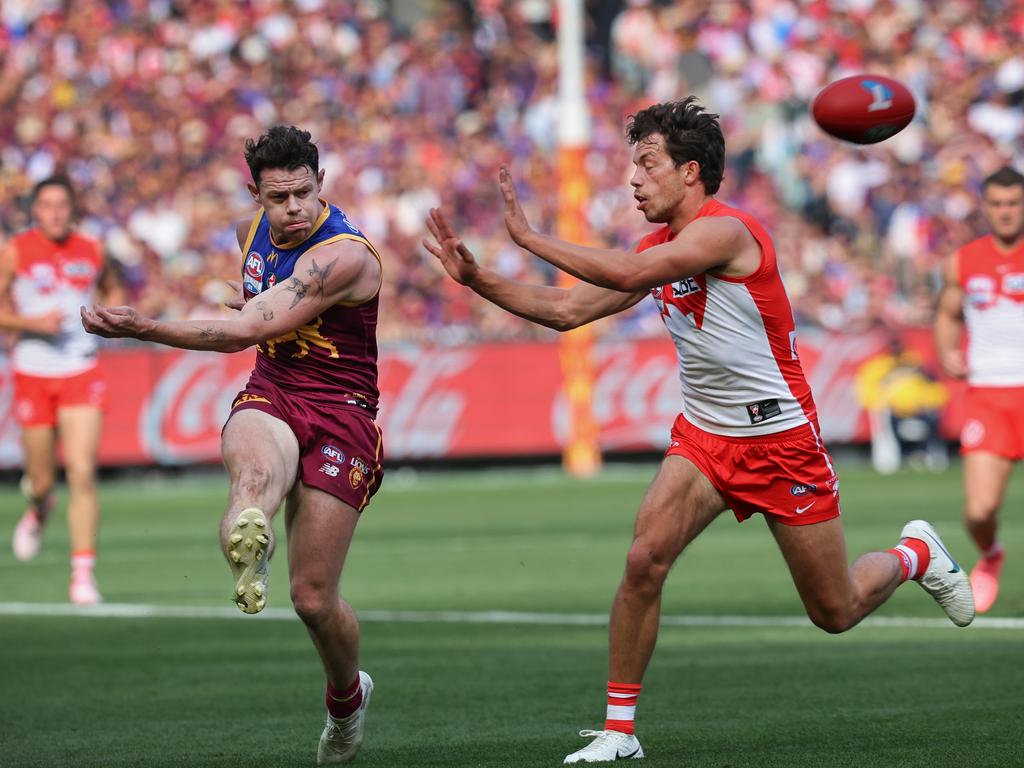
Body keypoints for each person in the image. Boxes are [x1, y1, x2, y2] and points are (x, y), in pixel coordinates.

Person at [424, 98, 975, 764]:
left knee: (835, 610)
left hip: (781, 442)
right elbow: (567, 309)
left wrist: (530, 238)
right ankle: (619, 732)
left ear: (691, 171)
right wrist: (478, 277)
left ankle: (916, 554)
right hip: (705, 439)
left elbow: (628, 275)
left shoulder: (727, 233)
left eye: (647, 163)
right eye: (633, 164)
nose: (633, 178)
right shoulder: (659, 246)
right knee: (641, 563)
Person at [81, 126, 384, 765]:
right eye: (279, 198)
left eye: (304, 193)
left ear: (321, 184)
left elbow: (246, 326)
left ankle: (347, 699)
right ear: (257, 195)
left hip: (343, 413)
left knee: (312, 599)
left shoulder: (345, 256)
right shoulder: (249, 236)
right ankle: (254, 535)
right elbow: (252, 310)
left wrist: (146, 326)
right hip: (274, 389)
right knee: (250, 481)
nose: (294, 208)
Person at [0, 175, 124, 604]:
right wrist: (32, 324)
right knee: (39, 479)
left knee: (83, 472)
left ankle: (83, 573)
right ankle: (38, 506)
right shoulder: (14, 250)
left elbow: (112, 288)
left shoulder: (91, 248)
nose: (54, 212)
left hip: (80, 369)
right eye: (47, 204)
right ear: (35, 209)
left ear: (73, 209)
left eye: (62, 205)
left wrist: (111, 316)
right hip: (33, 372)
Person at [934, 165, 1024, 614]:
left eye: (1014, 203)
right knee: (978, 513)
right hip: (989, 394)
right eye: (999, 204)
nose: (1006, 212)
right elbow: (947, 313)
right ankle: (991, 554)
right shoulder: (963, 260)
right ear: (986, 207)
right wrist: (947, 349)